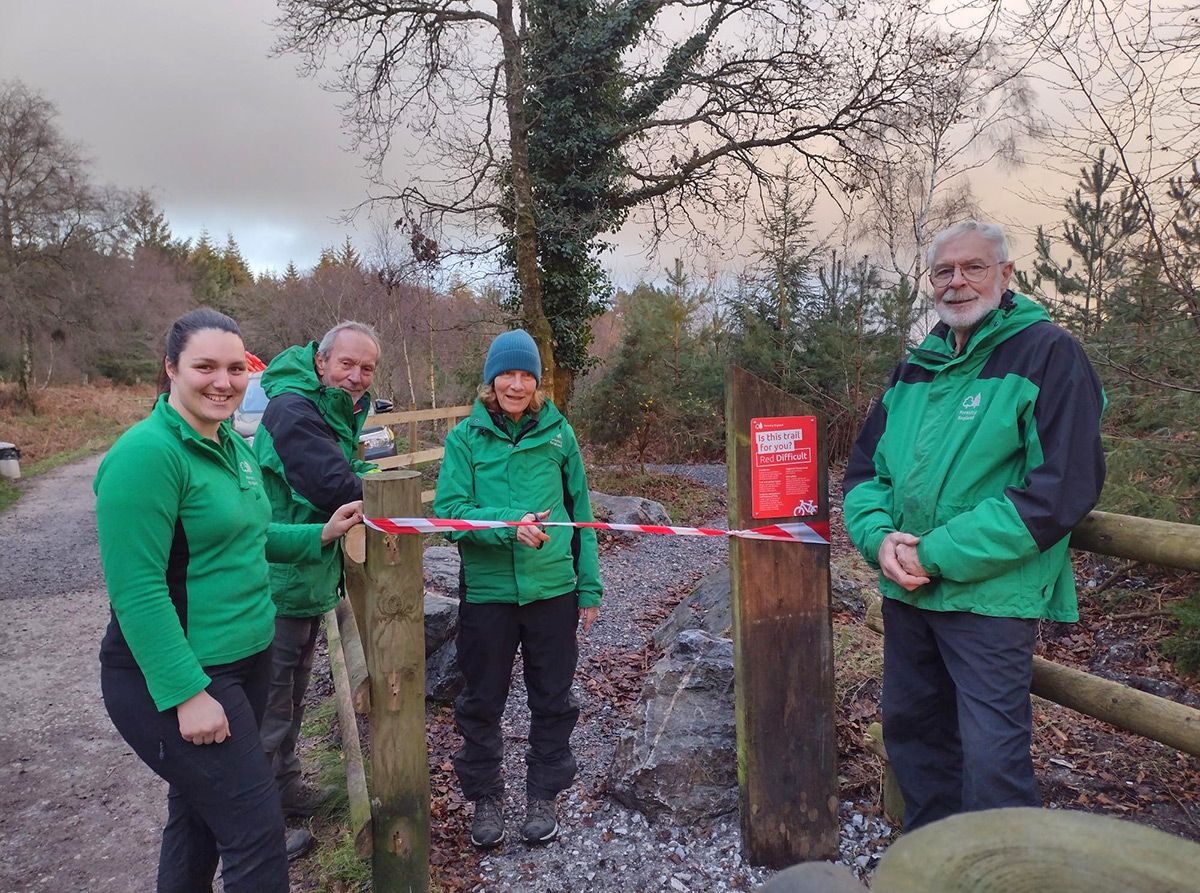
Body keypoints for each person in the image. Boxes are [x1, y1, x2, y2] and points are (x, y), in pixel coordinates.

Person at [842, 220, 1106, 832]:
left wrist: (934, 554)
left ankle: (1002, 874)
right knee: (915, 739)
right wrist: (879, 538)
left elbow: (1060, 489)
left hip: (990, 599)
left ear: (1006, 274)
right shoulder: (917, 367)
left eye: (973, 267)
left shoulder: (1047, 353)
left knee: (993, 760)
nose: (956, 282)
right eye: (943, 271)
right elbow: (863, 475)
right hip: (908, 590)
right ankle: (933, 866)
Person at [95, 308, 363, 892]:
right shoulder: (147, 455)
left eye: (235, 368)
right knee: (256, 835)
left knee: (196, 819)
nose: (223, 381)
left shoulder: (230, 447)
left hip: (244, 659)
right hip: (184, 674)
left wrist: (318, 534)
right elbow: (135, 589)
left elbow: (249, 537)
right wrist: (188, 693)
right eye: (205, 367)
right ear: (171, 368)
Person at [434, 329, 602, 848]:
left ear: (537, 381)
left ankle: (542, 794)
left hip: (553, 591)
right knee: (482, 700)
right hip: (487, 594)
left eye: (526, 375)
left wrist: (589, 587)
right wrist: (510, 522)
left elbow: (580, 513)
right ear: (491, 380)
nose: (516, 384)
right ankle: (486, 797)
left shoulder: (558, 433)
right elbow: (449, 514)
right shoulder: (466, 438)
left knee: (552, 698)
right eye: (507, 374)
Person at [251, 321, 382, 826]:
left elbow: (345, 470)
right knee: (269, 709)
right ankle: (261, 824)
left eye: (366, 368)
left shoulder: (329, 406)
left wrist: (368, 478)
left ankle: (286, 793)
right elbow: (331, 484)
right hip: (280, 584)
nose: (356, 376)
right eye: (347, 364)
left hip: (306, 579)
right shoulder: (293, 409)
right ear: (321, 361)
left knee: (290, 701)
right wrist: (390, 498)